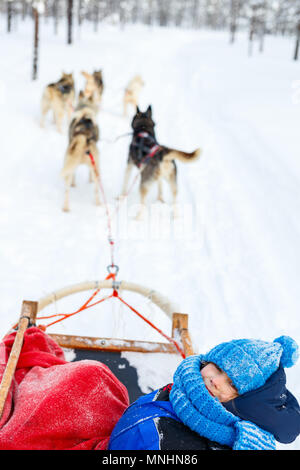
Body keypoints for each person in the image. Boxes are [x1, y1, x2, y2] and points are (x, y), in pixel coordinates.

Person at [108, 336, 300, 450]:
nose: (215, 381)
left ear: (243, 401)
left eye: (232, 384)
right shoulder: (185, 390)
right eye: (216, 367)